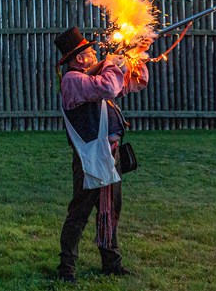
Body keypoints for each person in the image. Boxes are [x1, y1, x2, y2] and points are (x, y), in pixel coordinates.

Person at [53, 26, 150, 283]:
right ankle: (66, 269)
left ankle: (112, 264)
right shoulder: (73, 80)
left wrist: (135, 56)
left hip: (109, 156)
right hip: (90, 159)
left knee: (110, 211)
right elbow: (108, 87)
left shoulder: (90, 79)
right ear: (77, 58)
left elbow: (133, 83)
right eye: (88, 50)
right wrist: (110, 64)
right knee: (79, 214)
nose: (94, 52)